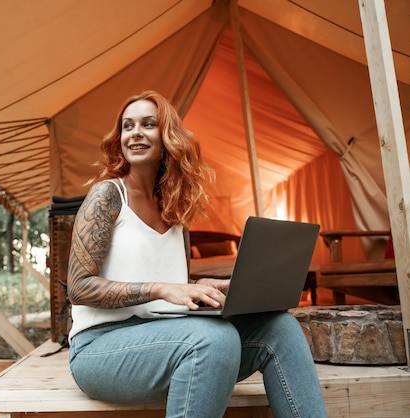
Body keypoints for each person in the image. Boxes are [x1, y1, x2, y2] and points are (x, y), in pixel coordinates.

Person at [66, 90, 327, 418]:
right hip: (100, 350)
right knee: (213, 338)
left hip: (168, 336)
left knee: (280, 328)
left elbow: (171, 286)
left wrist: (205, 286)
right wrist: (161, 288)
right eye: (127, 126)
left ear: (168, 137)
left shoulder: (175, 208)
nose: (135, 133)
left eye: (148, 124)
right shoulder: (108, 195)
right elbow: (78, 287)